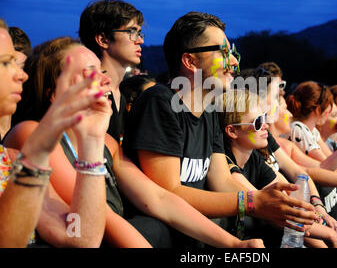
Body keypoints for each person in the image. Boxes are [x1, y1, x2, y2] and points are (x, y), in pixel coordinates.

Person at [6, 37, 264, 248]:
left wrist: (233, 245)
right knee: (152, 229)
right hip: (95, 238)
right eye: (89, 74)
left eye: (102, 72)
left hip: (103, 235)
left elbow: (160, 198)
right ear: (54, 94)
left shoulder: (107, 142)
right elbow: (100, 222)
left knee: (161, 226)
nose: (105, 80)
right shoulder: (31, 133)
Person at [123, 11, 318, 245]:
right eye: (223, 52)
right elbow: (169, 193)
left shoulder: (209, 112)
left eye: (232, 53)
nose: (234, 62)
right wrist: (253, 203)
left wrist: (276, 207)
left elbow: (222, 180)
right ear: (190, 61)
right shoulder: (160, 102)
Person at [0, 19, 109, 247]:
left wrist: (92, 141)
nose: (22, 76)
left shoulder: (8, 158)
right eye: (5, 63)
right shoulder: (25, 137)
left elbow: (80, 238)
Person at [219, 88, 337, 248]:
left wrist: (317, 210)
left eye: (264, 118)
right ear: (232, 131)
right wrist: (331, 235)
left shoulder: (255, 158)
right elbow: (277, 211)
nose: (266, 125)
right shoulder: (225, 164)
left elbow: (287, 203)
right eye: (257, 122)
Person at [79, 0, 145, 144]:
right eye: (132, 32)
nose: (140, 40)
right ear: (103, 39)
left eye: (139, 33)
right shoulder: (89, 93)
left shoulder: (124, 94)